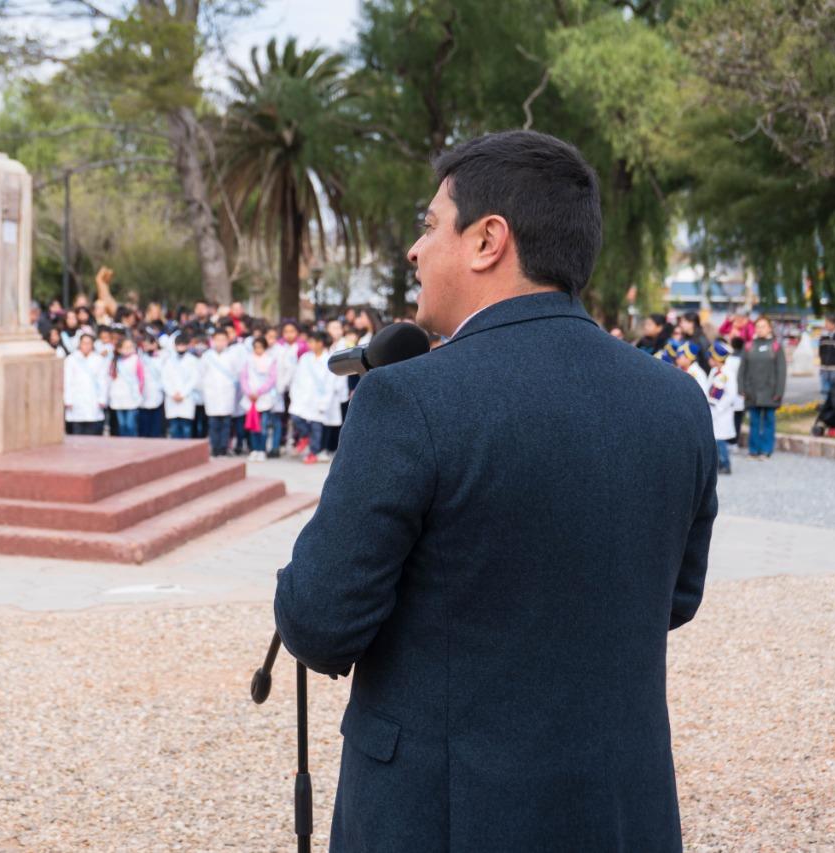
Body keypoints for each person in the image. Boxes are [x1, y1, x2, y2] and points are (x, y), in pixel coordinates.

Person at [274, 130, 716, 852]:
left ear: (488, 240)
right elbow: (676, 596)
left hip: (443, 814)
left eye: (428, 225)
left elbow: (320, 620)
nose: (415, 252)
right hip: (619, 807)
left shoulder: (407, 400)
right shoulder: (676, 400)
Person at [738, 316, 787, 459]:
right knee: (753, 421)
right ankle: (753, 450)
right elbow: (742, 369)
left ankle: (766, 450)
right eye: (758, 326)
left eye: (763, 326)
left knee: (768, 421)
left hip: (770, 391)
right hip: (752, 391)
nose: (760, 329)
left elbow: (781, 371)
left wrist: (779, 391)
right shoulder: (748, 346)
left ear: (769, 328)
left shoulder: (776, 346)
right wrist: (741, 388)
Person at [287, 330, 335, 465]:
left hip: (319, 399)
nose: (309, 344)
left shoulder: (328, 360)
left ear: (320, 343)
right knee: (295, 417)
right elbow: (297, 378)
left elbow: (331, 382)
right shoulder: (305, 358)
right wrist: (294, 395)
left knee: (316, 427)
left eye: (312, 341)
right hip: (302, 397)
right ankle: (304, 436)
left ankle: (313, 453)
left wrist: (324, 402)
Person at [200, 328, 239, 457]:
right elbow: (201, 375)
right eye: (218, 340)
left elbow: (236, 374)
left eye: (223, 340)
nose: (220, 342)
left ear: (227, 341)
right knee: (213, 424)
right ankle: (214, 448)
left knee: (226, 424)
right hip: (212, 394)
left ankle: (224, 447)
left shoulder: (232, 356)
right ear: (212, 341)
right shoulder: (207, 356)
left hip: (227, 394)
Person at [240, 336, 278, 462]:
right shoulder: (248, 360)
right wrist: (248, 392)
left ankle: (262, 449)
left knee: (263, 426)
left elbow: (271, 380)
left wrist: (259, 392)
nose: (258, 350)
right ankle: (254, 449)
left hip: (263, 398)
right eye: (256, 347)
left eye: (260, 347)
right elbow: (243, 378)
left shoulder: (270, 360)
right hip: (250, 398)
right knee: (252, 425)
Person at [63, 333, 108, 436]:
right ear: (80, 344)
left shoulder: (98, 360)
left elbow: (103, 381)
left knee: (93, 431)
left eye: (89, 343)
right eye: (84, 343)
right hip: (76, 400)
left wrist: (102, 398)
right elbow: (67, 380)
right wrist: (67, 399)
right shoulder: (71, 359)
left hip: (93, 400)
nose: (86, 346)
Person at [707, 341, 738, 474]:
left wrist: (719, 408)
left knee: (720, 440)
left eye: (711, 357)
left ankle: (725, 463)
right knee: (714, 439)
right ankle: (718, 463)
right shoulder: (714, 371)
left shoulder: (728, 373)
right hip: (712, 409)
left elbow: (731, 394)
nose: (709, 359)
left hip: (722, 411)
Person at [161, 333, 200, 439]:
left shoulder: (193, 360)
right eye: (178, 345)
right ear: (174, 345)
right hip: (172, 398)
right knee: (173, 429)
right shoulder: (168, 361)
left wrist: (183, 393)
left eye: (183, 345)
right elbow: (165, 379)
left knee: (186, 428)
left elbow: (194, 379)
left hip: (186, 399)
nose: (180, 347)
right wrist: (172, 393)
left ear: (187, 345)